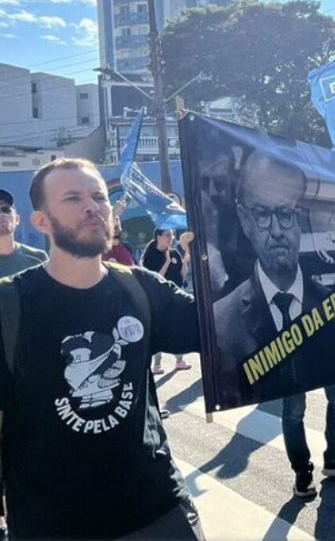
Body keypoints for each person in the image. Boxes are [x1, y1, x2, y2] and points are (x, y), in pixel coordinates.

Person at [0, 158, 204, 540]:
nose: (92, 206)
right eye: (73, 198)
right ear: (41, 221)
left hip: (159, 513)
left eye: (98, 196)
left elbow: (218, 326)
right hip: (52, 525)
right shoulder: (10, 305)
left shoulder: (141, 289)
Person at [213, 150, 335, 498]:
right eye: (262, 214)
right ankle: (303, 471)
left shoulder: (332, 304)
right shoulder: (224, 318)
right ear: (244, 218)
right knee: (293, 406)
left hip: (325, 329)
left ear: (298, 218)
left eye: (285, 214)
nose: (275, 231)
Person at [0, 188, 47, 539]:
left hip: (35, 375)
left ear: (16, 219)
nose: (0, 215)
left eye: (5, 209)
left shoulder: (37, 260)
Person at [142, 229, 192, 374]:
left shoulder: (175, 253)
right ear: (158, 236)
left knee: (177, 326)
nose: (171, 238)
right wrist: (167, 262)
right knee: (159, 329)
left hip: (175, 296)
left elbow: (182, 275)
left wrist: (185, 263)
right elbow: (155, 278)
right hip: (158, 298)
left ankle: (179, 360)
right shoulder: (151, 255)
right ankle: (157, 365)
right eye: (167, 235)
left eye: (172, 235)